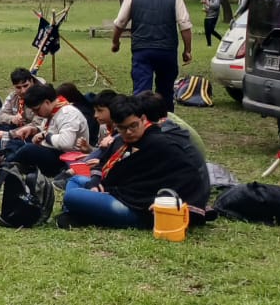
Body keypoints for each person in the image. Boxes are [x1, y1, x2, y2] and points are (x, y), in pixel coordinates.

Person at [60, 94, 208, 229]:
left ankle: (79, 213)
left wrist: (162, 201)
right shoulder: (123, 141)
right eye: (122, 128)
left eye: (133, 126)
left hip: (139, 207)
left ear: (143, 119)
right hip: (119, 192)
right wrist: (96, 180)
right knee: (75, 180)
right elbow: (103, 161)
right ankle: (81, 212)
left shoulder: (159, 143)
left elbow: (190, 176)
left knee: (71, 196)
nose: (129, 132)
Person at [111, 0, 193, 109]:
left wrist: (115, 42)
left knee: (141, 92)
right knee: (166, 91)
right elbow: (185, 25)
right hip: (167, 50)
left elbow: (120, 22)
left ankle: (142, 123)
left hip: (142, 50)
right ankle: (166, 123)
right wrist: (187, 50)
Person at [0, 82, 89, 174]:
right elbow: (48, 130)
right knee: (21, 141)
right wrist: (34, 130)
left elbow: (66, 143)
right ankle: (11, 161)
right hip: (54, 151)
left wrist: (46, 135)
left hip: (67, 159)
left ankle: (6, 162)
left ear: (47, 102)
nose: (36, 114)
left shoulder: (68, 114)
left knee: (29, 149)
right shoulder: (54, 111)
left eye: (37, 110)